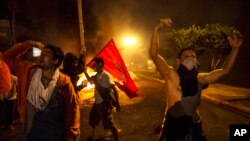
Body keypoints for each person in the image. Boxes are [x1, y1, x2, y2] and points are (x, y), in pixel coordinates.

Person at [150, 18, 243, 141]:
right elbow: (154, 54)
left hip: (195, 126)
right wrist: (156, 30)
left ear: (196, 61)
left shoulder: (201, 78)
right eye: (186, 56)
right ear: (178, 61)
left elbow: (225, 70)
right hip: (174, 126)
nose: (190, 58)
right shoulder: (170, 75)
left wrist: (235, 49)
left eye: (193, 56)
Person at [2, 41, 80, 141]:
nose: (42, 56)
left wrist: (71, 134)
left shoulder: (64, 82)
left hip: (54, 134)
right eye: (41, 54)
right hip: (31, 133)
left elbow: (73, 108)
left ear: (56, 60)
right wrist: (29, 44)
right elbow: (5, 58)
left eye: (46, 54)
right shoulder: (28, 71)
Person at [83, 57, 121, 141]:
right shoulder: (96, 75)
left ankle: (117, 139)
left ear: (100, 64)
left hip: (104, 104)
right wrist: (84, 71)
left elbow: (110, 90)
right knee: (92, 119)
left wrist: (117, 103)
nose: (93, 66)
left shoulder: (106, 76)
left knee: (110, 123)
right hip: (97, 103)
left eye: (95, 64)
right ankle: (90, 137)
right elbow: (90, 80)